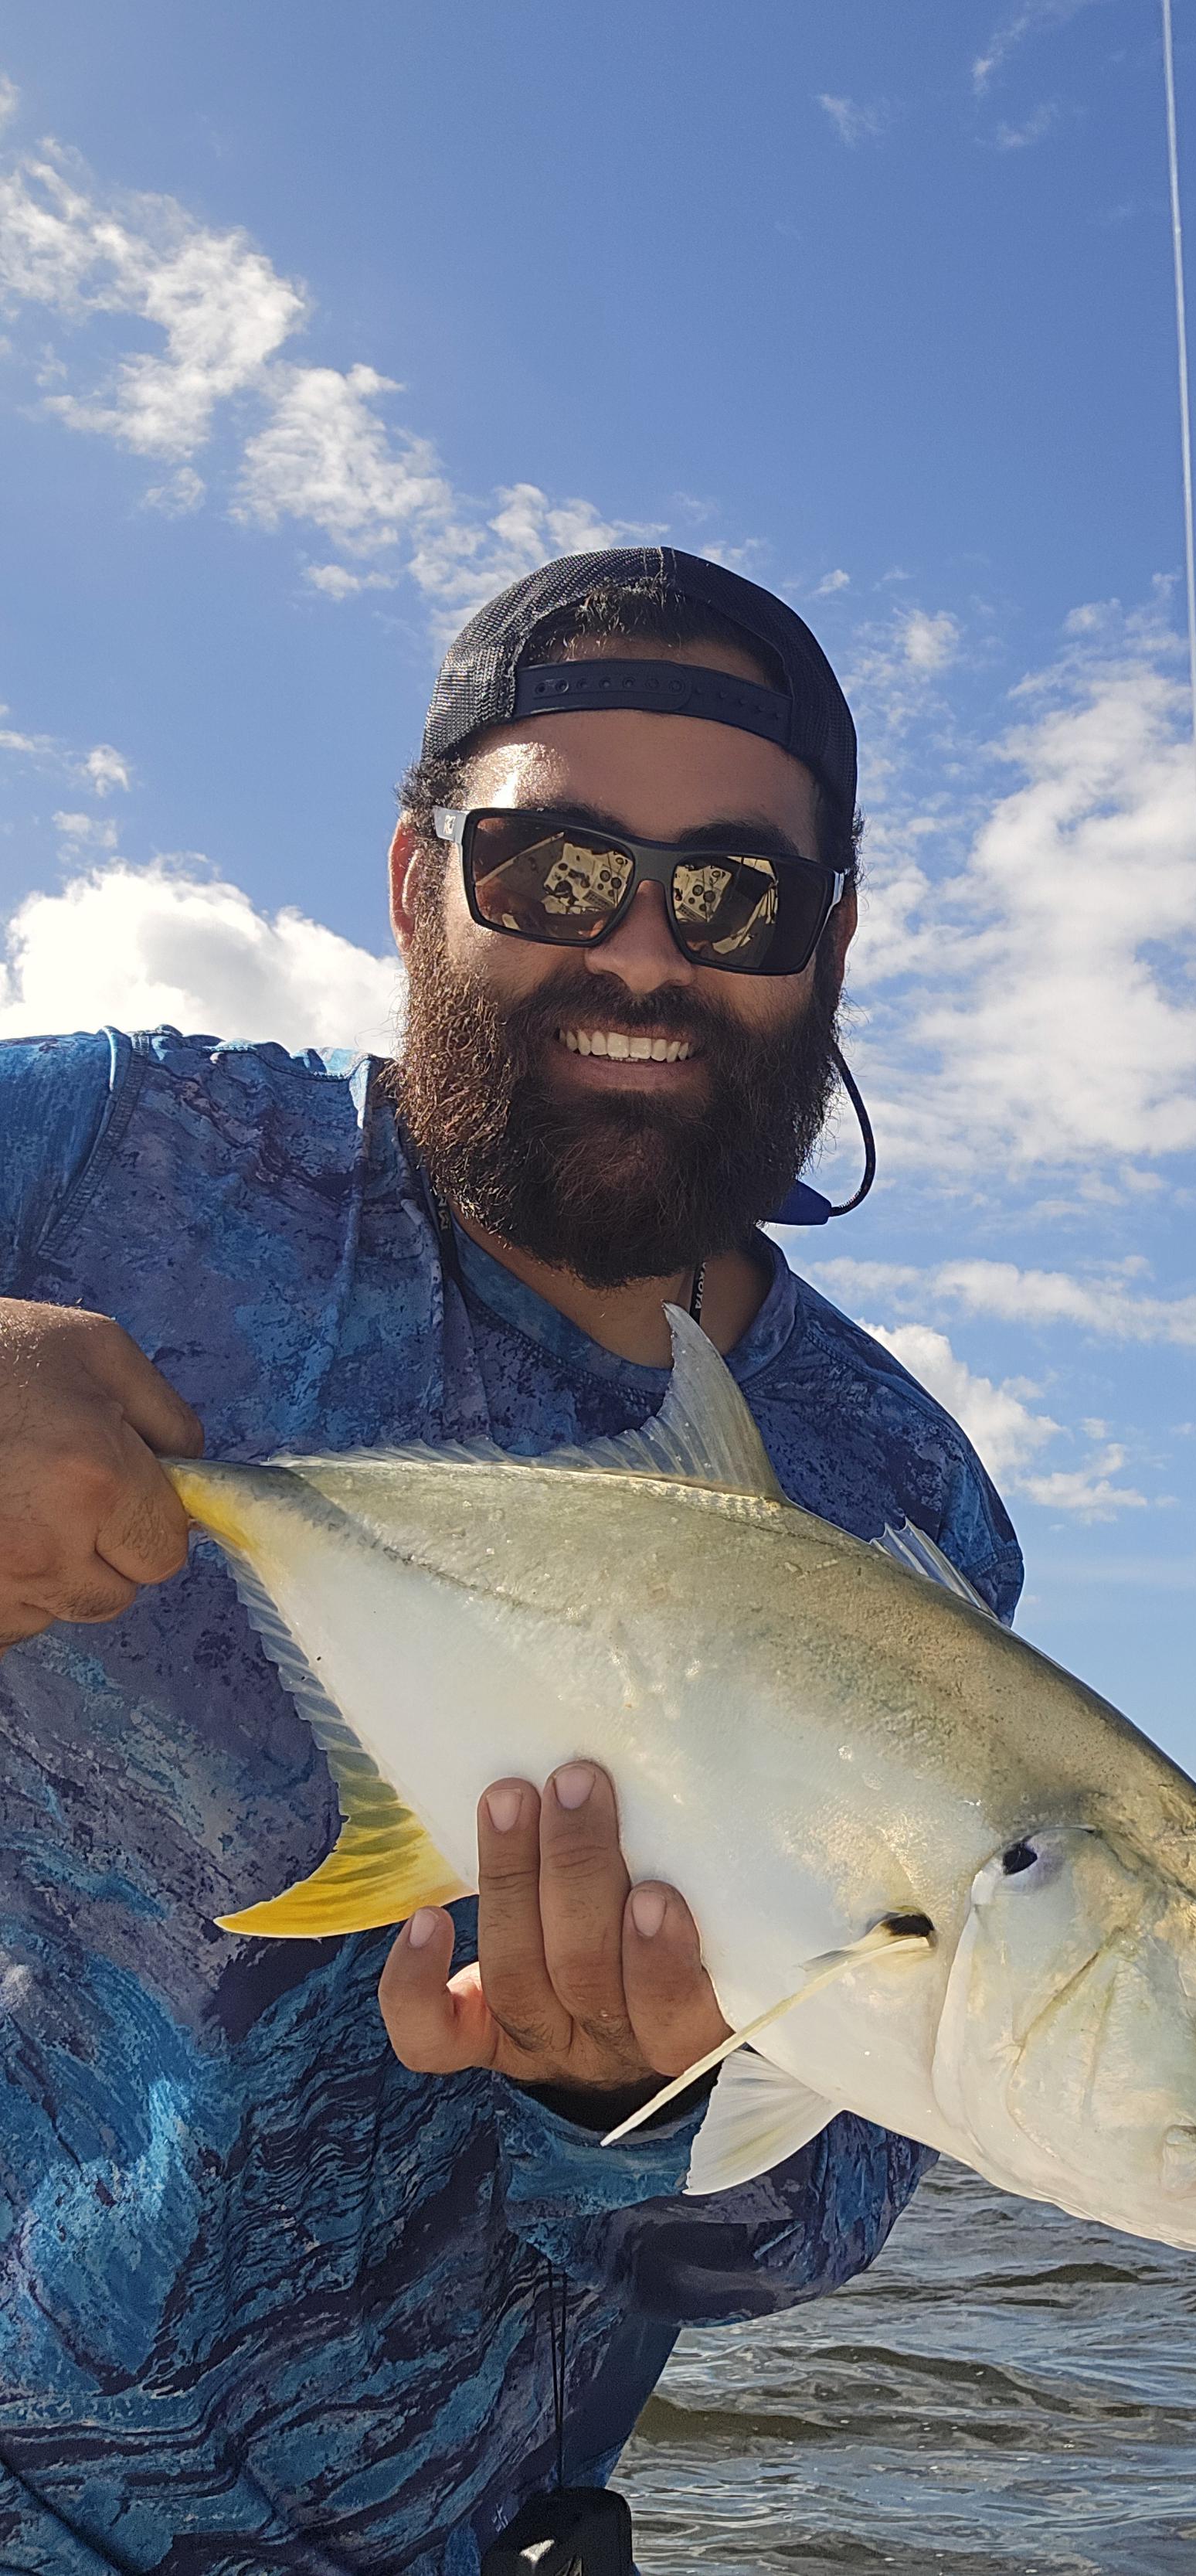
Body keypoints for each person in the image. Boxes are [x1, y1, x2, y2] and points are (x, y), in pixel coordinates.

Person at [0, 548, 1021, 2574]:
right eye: (555, 867)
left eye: (732, 893)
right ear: (412, 884)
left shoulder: (898, 1498)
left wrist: (626, 2107)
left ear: (828, 942)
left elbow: (804, 2218)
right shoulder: (94, 1157)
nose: (640, 954)